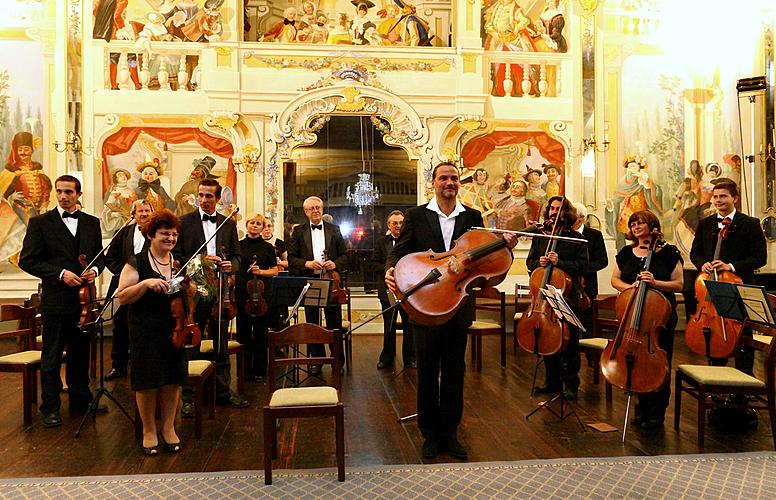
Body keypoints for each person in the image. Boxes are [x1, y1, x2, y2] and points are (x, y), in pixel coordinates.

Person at [385, 162, 517, 460]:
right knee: (428, 370)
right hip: (426, 302)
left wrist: (505, 245)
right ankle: (430, 434)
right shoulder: (416, 215)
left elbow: (487, 260)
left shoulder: (473, 217)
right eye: (443, 178)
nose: (449, 182)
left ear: (459, 183)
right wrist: (390, 269)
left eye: (454, 178)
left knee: (455, 371)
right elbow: (399, 250)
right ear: (433, 183)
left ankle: (451, 433)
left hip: (459, 303)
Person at [18, 175, 105, 428]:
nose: (63, 196)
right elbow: (27, 260)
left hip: (84, 302)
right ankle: (51, 407)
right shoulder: (40, 223)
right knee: (52, 356)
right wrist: (60, 274)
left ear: (78, 194)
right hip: (56, 300)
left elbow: (98, 257)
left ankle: (81, 401)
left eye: (69, 192)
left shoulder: (91, 223)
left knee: (80, 353)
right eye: (59, 192)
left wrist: (95, 271)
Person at [173, 179, 248, 415]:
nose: (204, 200)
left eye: (209, 196)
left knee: (221, 343)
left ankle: (223, 392)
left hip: (220, 290)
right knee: (191, 343)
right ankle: (189, 396)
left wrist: (230, 265)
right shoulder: (184, 222)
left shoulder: (227, 224)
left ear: (217, 199)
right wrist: (200, 262)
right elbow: (177, 255)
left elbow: (237, 256)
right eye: (201, 195)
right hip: (194, 291)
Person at [117, 209, 186, 455]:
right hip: (145, 328)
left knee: (171, 379)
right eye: (164, 234)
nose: (170, 238)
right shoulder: (137, 261)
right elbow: (122, 297)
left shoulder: (177, 262)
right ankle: (148, 430)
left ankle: (168, 428)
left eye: (174, 234)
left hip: (174, 327)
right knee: (147, 381)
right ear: (151, 235)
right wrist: (145, 284)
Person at [611, 210, 683, 429]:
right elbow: (615, 280)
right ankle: (640, 406)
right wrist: (629, 288)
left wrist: (655, 282)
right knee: (637, 360)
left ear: (652, 225)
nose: (635, 227)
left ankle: (657, 410)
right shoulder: (626, 252)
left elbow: (679, 285)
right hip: (633, 314)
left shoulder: (669, 253)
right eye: (633, 224)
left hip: (659, 317)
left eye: (640, 223)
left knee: (659, 361)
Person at [690, 179, 767, 374]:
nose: (718, 200)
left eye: (723, 196)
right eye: (715, 197)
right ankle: (717, 382)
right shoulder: (706, 224)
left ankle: (743, 387)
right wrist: (703, 264)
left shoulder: (749, 224)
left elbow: (760, 257)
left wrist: (730, 266)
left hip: (740, 287)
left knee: (743, 339)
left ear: (735, 198)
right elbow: (695, 253)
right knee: (713, 334)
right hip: (711, 287)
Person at [525, 196, 588, 400]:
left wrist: (560, 262)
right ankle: (551, 381)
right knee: (547, 338)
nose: (554, 212)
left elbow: (582, 266)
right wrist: (539, 263)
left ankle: (571, 384)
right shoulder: (541, 236)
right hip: (544, 298)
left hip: (568, 297)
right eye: (551, 208)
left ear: (566, 213)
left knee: (569, 343)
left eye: (559, 209)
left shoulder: (576, 238)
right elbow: (530, 262)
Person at [287, 196, 348, 373]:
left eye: (318, 207)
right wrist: (307, 264)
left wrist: (334, 264)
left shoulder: (334, 229)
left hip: (332, 283)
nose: (315, 211)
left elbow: (345, 255)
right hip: (309, 281)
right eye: (311, 208)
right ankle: (316, 360)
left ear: (322, 209)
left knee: (334, 322)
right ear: (305, 211)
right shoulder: (298, 232)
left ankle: (338, 361)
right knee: (313, 322)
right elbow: (291, 259)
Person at [104, 199, 154, 381]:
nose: (144, 214)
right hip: (123, 286)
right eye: (140, 211)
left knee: (146, 325)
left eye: (147, 211)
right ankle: (119, 366)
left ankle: (144, 364)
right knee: (120, 326)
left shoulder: (156, 234)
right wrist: (126, 273)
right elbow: (110, 258)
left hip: (148, 287)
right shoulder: (123, 233)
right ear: (133, 214)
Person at [235, 213, 278, 382]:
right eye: (252, 222)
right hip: (242, 294)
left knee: (261, 334)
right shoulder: (238, 246)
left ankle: (260, 370)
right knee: (243, 333)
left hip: (262, 295)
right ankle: (244, 371)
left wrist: (261, 272)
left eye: (258, 224)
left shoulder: (267, 248)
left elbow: (274, 270)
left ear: (262, 227)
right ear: (247, 225)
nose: (254, 226)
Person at [373, 210, 415, 370]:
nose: (398, 226)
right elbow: (373, 264)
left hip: (408, 290)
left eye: (401, 223)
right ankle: (387, 358)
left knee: (409, 325)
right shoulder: (380, 242)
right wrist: (388, 271)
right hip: (387, 291)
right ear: (389, 226)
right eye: (395, 223)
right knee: (388, 326)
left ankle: (410, 358)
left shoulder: (412, 242)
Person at [570, 202, 608, 342]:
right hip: (567, 285)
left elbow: (602, 260)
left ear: (580, 218)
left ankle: (591, 355)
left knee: (588, 323)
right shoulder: (565, 234)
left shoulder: (594, 235)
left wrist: (581, 269)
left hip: (587, 287)